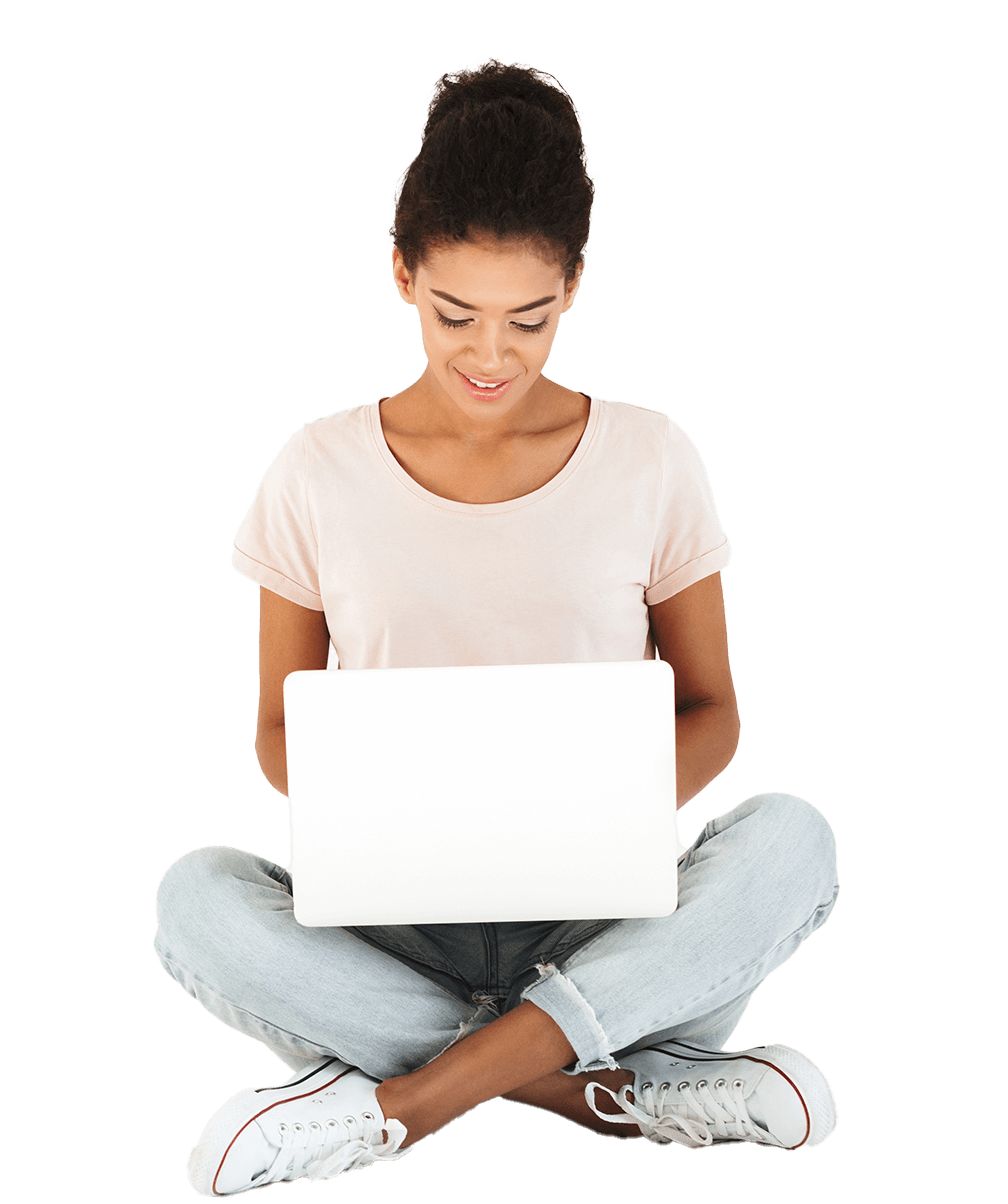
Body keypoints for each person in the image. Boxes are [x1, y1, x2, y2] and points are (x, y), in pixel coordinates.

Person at [154, 57, 840, 1195]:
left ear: (573, 281)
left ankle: (396, 1098)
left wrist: (594, 811)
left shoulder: (652, 457)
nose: (489, 355)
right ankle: (624, 1088)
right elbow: (279, 726)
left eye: (528, 318)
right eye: (453, 313)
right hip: (390, 923)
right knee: (194, 899)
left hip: (602, 912)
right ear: (401, 273)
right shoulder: (315, 468)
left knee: (794, 840)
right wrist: (378, 806)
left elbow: (713, 711)